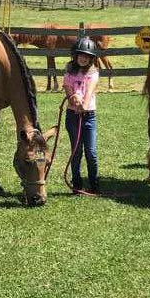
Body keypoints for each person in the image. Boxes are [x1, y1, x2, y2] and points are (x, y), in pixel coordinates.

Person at [63, 36, 101, 194]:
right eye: (81, 55)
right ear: (75, 56)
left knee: (91, 152)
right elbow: (68, 92)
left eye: (87, 56)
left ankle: (94, 183)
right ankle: (77, 184)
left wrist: (83, 104)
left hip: (89, 116)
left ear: (91, 58)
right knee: (76, 151)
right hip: (73, 117)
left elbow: (90, 91)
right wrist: (74, 98)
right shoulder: (69, 73)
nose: (83, 59)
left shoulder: (93, 73)